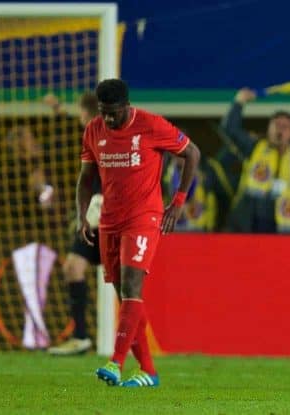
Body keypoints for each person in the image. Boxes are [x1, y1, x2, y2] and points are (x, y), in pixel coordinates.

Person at [77, 79, 200, 387]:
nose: (108, 119)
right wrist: (82, 216)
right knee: (125, 296)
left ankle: (116, 362)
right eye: (104, 112)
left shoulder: (150, 124)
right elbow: (86, 177)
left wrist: (178, 202)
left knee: (133, 286)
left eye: (114, 113)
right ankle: (148, 370)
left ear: (127, 106)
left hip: (144, 217)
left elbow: (192, 153)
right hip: (109, 221)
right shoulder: (93, 130)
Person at [47, 92, 102, 355]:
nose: (79, 118)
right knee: (72, 267)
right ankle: (80, 337)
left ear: (88, 113)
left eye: (81, 113)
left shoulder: (108, 136)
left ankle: (133, 337)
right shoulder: (90, 137)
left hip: (112, 215)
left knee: (122, 281)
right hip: (95, 215)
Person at [221, 88, 290, 234]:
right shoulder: (254, 147)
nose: (279, 131)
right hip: (249, 226)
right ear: (268, 130)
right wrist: (239, 102)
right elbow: (229, 129)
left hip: (286, 230)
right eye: (276, 126)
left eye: (284, 127)